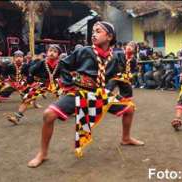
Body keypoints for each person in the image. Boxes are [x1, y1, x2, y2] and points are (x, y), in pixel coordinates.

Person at [27, 21, 144, 168]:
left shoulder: (114, 58)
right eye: (93, 31)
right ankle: (42, 153)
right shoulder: (84, 51)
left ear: (109, 36)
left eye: (98, 31)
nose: (94, 34)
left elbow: (115, 77)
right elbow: (63, 65)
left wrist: (117, 92)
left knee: (129, 108)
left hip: (100, 94)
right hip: (80, 92)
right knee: (48, 115)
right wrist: (70, 83)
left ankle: (126, 138)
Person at [6, 45, 63, 125]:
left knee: (64, 98)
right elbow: (31, 71)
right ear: (47, 52)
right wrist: (30, 81)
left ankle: (69, 112)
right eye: (50, 51)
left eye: (55, 52)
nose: (52, 53)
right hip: (41, 84)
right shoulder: (41, 62)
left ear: (58, 54)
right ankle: (16, 118)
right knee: (27, 99)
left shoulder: (61, 64)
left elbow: (65, 73)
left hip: (56, 84)